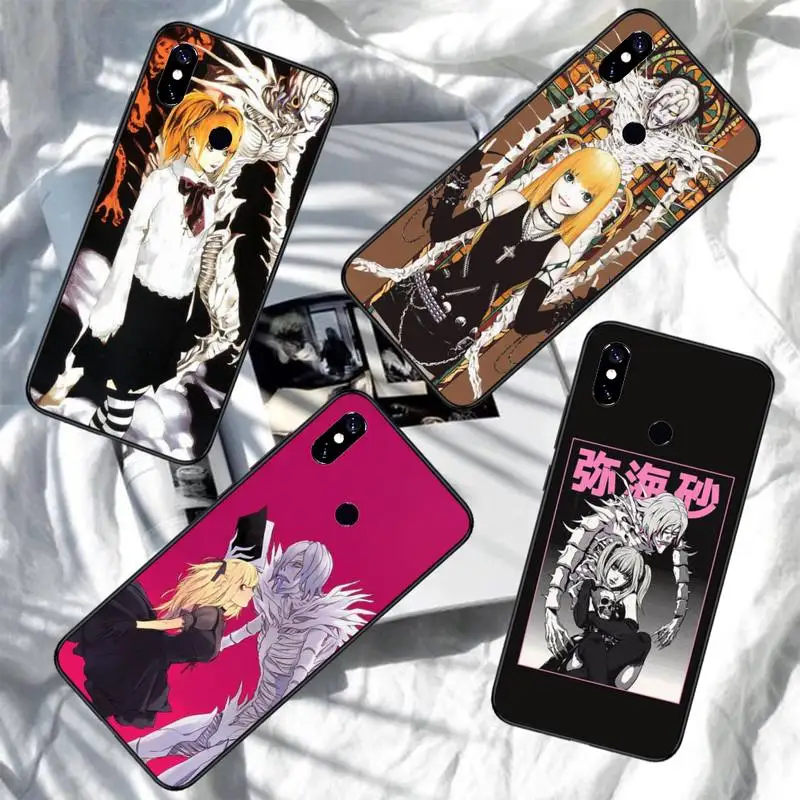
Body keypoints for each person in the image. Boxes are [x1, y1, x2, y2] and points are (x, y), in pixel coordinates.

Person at [39, 91, 244, 437]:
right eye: (215, 145)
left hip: (174, 306)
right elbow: (131, 238)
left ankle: (78, 429)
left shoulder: (210, 196)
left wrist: (187, 311)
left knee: (124, 394)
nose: (218, 157)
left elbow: (195, 256)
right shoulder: (162, 181)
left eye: (226, 151)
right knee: (115, 387)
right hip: (140, 295)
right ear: (192, 137)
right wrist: (115, 298)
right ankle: (63, 414)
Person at [362, 147, 621, 375]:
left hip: (452, 334)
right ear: (560, 171)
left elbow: (525, 321)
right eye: (570, 178)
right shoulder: (511, 201)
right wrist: (458, 181)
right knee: (357, 342)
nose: (570, 195)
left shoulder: (558, 254)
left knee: (408, 394)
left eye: (586, 196)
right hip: (418, 294)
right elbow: (441, 232)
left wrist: (567, 313)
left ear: (591, 206)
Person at [68, 558, 257, 728]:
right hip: (165, 649)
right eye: (248, 587)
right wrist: (137, 624)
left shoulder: (215, 613)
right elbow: (175, 623)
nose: (251, 594)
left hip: (166, 651)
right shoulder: (211, 613)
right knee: (136, 686)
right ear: (236, 586)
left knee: (139, 686)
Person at [542, 542, 651, 689]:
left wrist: (593, 617)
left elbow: (628, 630)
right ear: (607, 562)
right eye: (614, 568)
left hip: (615, 652)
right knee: (594, 640)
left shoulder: (628, 598)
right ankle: (598, 682)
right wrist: (586, 589)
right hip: (591, 645)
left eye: (625, 575)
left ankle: (585, 676)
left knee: (644, 639)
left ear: (631, 580)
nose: (616, 577)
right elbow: (581, 621)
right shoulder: (591, 587)